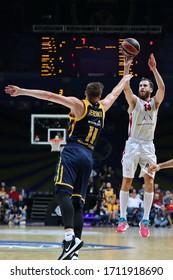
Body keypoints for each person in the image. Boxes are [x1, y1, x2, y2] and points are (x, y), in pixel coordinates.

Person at [5, 73, 132, 260]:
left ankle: (69, 237)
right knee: (77, 203)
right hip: (89, 156)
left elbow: (49, 96)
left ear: (86, 93)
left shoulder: (79, 104)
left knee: (62, 194)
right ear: (99, 95)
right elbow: (115, 92)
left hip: (73, 151)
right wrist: (126, 74)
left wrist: (22, 91)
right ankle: (74, 254)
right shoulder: (103, 108)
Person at [116, 53, 165, 238]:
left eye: (145, 85)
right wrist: (127, 67)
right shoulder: (134, 102)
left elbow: (162, 87)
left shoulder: (155, 103)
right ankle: (122, 219)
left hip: (148, 146)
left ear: (150, 89)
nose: (142, 87)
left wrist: (154, 69)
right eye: (141, 86)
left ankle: (144, 220)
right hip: (133, 145)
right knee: (127, 181)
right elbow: (126, 87)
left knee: (149, 181)